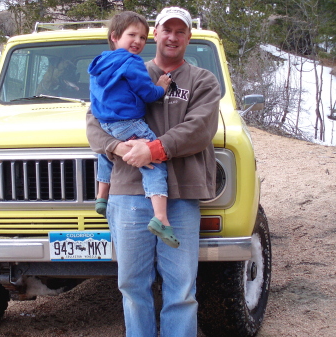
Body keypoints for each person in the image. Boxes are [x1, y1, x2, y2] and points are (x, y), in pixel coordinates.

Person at [86, 6, 221, 337]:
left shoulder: (203, 80)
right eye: (166, 30)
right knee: (133, 288)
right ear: (155, 35)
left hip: (181, 195)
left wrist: (154, 149)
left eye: (180, 31)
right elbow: (94, 120)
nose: (172, 37)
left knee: (181, 290)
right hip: (128, 193)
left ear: (188, 37)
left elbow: (200, 128)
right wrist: (118, 148)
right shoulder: (126, 66)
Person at [88, 11, 180, 248]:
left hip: (105, 123)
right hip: (129, 122)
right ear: (115, 36)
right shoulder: (132, 63)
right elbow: (148, 94)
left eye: (142, 37)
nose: (138, 41)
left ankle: (101, 196)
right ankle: (161, 217)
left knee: (105, 152)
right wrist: (161, 87)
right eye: (132, 35)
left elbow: (96, 100)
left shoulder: (99, 64)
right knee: (153, 159)